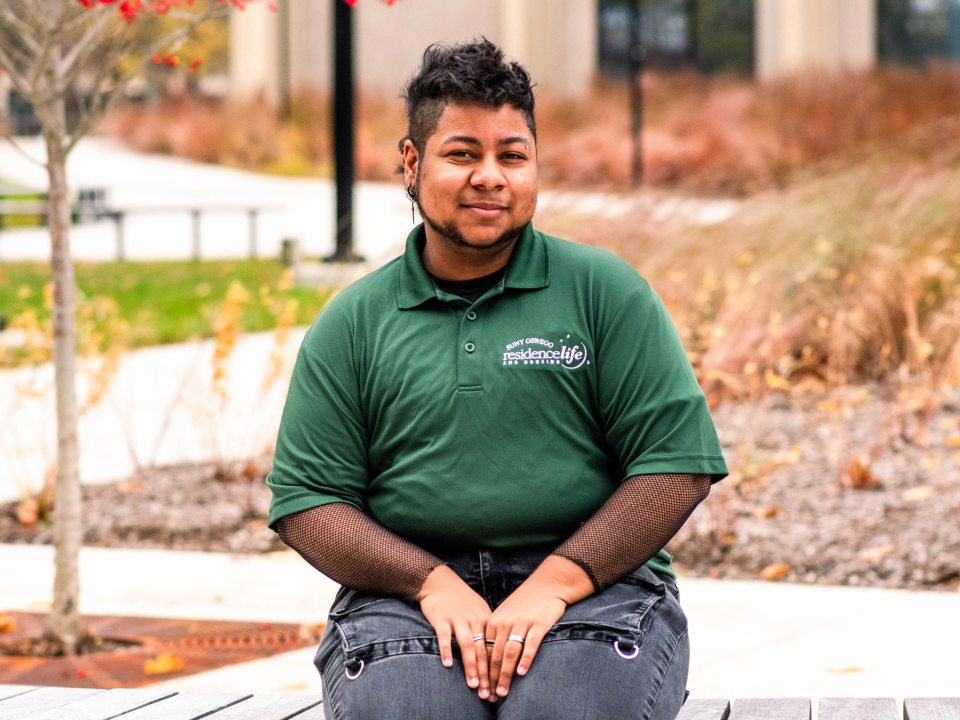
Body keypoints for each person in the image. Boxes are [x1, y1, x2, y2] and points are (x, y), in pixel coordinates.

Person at [267, 38, 727, 720]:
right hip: (405, 603)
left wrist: (556, 582)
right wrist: (429, 582)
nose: (491, 176)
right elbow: (307, 500)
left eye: (512, 155)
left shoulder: (605, 292)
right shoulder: (354, 322)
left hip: (596, 591)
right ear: (411, 163)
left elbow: (675, 467)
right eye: (463, 154)